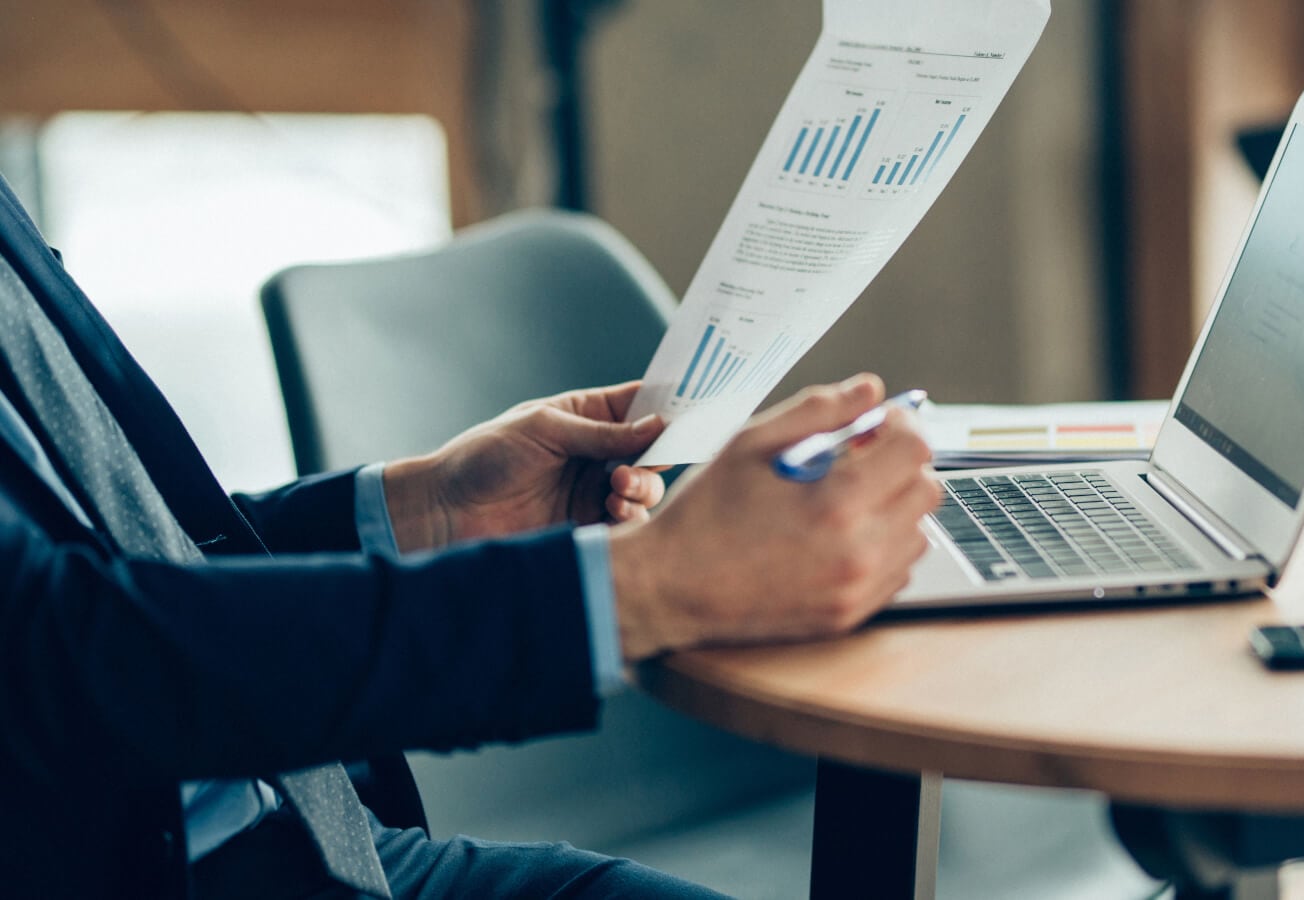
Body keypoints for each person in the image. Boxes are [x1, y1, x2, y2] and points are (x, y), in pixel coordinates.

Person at [0, 170, 941, 899]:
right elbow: (64, 666)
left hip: (311, 838)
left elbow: (105, 566)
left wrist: (418, 513)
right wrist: (646, 587)